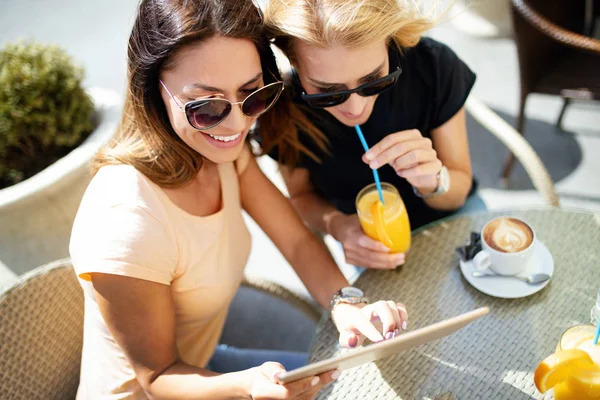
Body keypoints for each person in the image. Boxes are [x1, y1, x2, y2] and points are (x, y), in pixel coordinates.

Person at [69, 0, 408, 398]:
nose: (236, 124)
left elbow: (297, 242)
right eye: (207, 106)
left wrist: (347, 304)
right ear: (151, 86)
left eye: (253, 95)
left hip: (206, 365)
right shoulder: (126, 221)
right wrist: (249, 386)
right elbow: (157, 376)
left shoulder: (221, 152)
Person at [263, 0, 485, 271]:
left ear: (389, 41)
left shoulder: (432, 67)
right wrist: (337, 225)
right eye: (328, 92)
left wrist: (434, 181)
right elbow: (301, 197)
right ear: (293, 61)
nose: (355, 109)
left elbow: (459, 191)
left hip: (453, 216)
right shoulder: (283, 109)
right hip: (368, 244)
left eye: (374, 80)